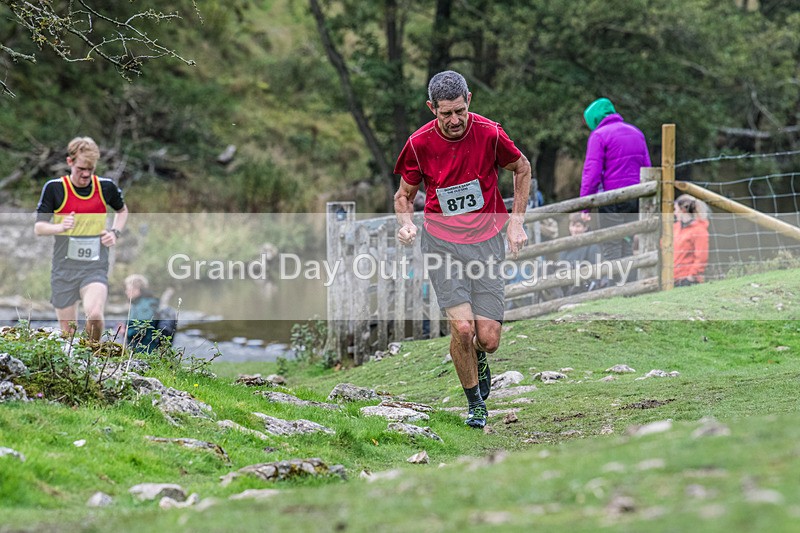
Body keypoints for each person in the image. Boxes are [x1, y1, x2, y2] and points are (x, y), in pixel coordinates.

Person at [394, 70, 531, 429]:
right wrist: (406, 224)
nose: (454, 121)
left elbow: (522, 168)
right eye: (445, 114)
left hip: (486, 242)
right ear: (431, 109)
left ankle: (480, 360)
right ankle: (475, 405)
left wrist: (516, 222)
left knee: (488, 339)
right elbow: (403, 196)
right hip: (442, 243)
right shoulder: (419, 144)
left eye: (459, 111)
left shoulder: (490, 132)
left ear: (469, 99)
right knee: (464, 330)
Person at [34, 137, 128, 342]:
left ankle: (93, 359)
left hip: (95, 266)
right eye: (81, 168)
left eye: (90, 169)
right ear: (70, 162)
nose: (85, 174)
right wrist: (60, 227)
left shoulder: (105, 187)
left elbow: (122, 211)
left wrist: (114, 232)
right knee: (69, 335)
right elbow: (39, 227)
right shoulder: (55, 188)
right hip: (63, 268)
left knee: (94, 316)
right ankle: (76, 366)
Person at [580, 98, 651, 276]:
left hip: (611, 199)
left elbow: (592, 173)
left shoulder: (599, 135)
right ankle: (630, 289)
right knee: (628, 242)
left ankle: (615, 289)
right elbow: (648, 167)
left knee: (611, 244)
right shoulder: (636, 132)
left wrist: (585, 205)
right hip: (635, 197)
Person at [557, 212, 607, 297]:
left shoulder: (592, 247)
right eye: (572, 226)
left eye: (578, 226)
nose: (574, 230)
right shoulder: (564, 247)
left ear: (585, 228)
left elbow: (596, 274)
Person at [673, 194, 709, 287]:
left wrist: (691, 277)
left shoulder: (699, 230)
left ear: (683, 210)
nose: (675, 213)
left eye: (676, 209)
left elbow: (701, 257)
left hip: (687, 280)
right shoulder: (675, 228)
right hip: (673, 277)